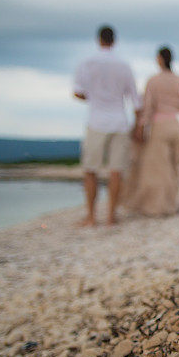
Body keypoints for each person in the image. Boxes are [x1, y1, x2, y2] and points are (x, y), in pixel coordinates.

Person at [73, 25, 141, 226]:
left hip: (96, 121)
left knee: (90, 170)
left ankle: (91, 216)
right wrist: (138, 127)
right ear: (114, 41)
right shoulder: (124, 65)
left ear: (99, 40)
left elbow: (78, 92)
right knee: (116, 171)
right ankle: (112, 215)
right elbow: (135, 100)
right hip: (119, 121)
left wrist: (94, 97)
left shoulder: (87, 63)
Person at [124, 46, 179, 216]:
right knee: (173, 167)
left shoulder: (154, 81)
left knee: (158, 169)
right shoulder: (178, 80)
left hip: (160, 127)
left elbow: (148, 107)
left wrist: (140, 126)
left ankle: (158, 207)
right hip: (175, 125)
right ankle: (170, 203)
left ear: (159, 59)